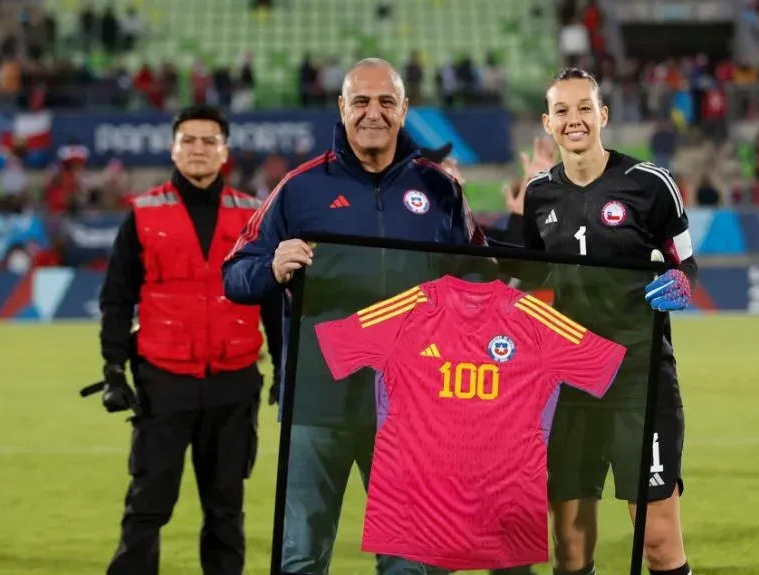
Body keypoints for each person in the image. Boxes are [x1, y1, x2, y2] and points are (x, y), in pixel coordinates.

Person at [222, 58, 487, 575]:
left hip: (412, 410)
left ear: (404, 109)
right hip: (318, 406)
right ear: (341, 108)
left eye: (386, 102)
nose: (374, 113)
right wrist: (271, 268)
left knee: (411, 562)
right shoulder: (299, 188)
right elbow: (236, 273)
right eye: (361, 101)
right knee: (300, 557)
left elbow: (479, 273)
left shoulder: (441, 191)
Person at [520, 68, 698, 575]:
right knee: (571, 549)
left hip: (639, 382)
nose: (574, 119)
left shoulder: (650, 184)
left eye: (583, 108)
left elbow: (685, 263)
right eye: (562, 111)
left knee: (659, 542)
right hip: (569, 386)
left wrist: (682, 283)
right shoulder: (537, 197)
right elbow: (530, 283)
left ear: (602, 116)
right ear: (548, 124)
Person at [96, 104, 283, 575]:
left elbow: (273, 303)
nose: (198, 150)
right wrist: (113, 371)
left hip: (234, 384)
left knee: (225, 513)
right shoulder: (142, 214)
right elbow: (116, 300)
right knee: (146, 508)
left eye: (208, 142)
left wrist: (285, 370)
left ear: (225, 152)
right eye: (189, 141)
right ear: (173, 148)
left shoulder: (254, 216)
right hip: (163, 383)